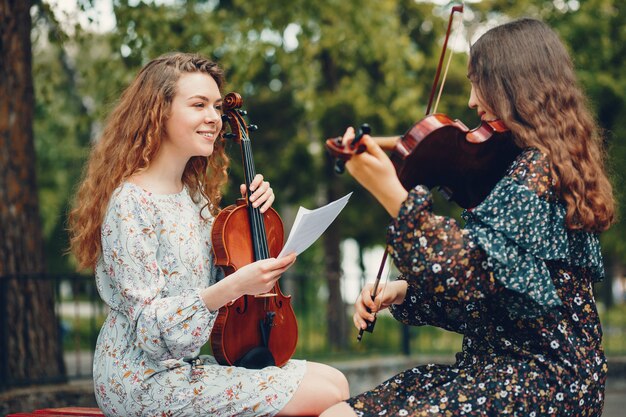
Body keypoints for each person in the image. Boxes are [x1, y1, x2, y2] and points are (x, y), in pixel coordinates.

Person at [320, 18, 614, 417]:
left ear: (514, 86)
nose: (473, 101)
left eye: (479, 83)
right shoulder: (527, 168)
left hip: (544, 380)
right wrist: (404, 292)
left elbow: (470, 272)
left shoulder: (539, 172)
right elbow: (489, 299)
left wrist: (392, 193)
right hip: (502, 370)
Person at [69, 52, 349, 417]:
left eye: (217, 107)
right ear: (159, 111)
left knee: (336, 383)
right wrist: (235, 287)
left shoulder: (194, 197)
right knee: (324, 396)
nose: (215, 118)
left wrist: (252, 222)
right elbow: (150, 331)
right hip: (142, 381)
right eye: (199, 105)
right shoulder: (131, 203)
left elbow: (220, 276)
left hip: (185, 369)